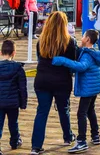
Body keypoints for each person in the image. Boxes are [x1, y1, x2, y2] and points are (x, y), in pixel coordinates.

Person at [31, 12, 77, 155]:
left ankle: (36, 146)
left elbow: (40, 59)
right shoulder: (70, 41)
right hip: (62, 80)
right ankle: (67, 136)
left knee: (42, 112)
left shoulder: (41, 41)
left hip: (42, 79)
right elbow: (72, 63)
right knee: (64, 109)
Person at [52, 29, 100, 153]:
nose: (81, 38)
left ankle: (81, 141)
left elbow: (81, 67)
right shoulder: (93, 52)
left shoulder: (87, 55)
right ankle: (95, 135)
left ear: (87, 39)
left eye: (83, 36)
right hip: (94, 87)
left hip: (88, 87)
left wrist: (62, 60)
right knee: (90, 110)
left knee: (81, 113)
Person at [0, 40, 27, 153]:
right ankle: (15, 142)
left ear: (1, 52)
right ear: (14, 53)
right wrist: (23, 103)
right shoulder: (18, 68)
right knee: (13, 123)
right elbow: (23, 88)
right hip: (13, 102)